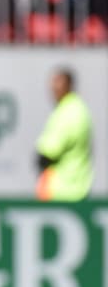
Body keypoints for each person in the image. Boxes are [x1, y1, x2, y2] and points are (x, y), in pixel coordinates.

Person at [36, 67, 93, 201]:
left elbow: (48, 153)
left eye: (58, 82)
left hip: (63, 191)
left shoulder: (70, 112)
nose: (53, 88)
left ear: (69, 85)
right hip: (78, 189)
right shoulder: (78, 108)